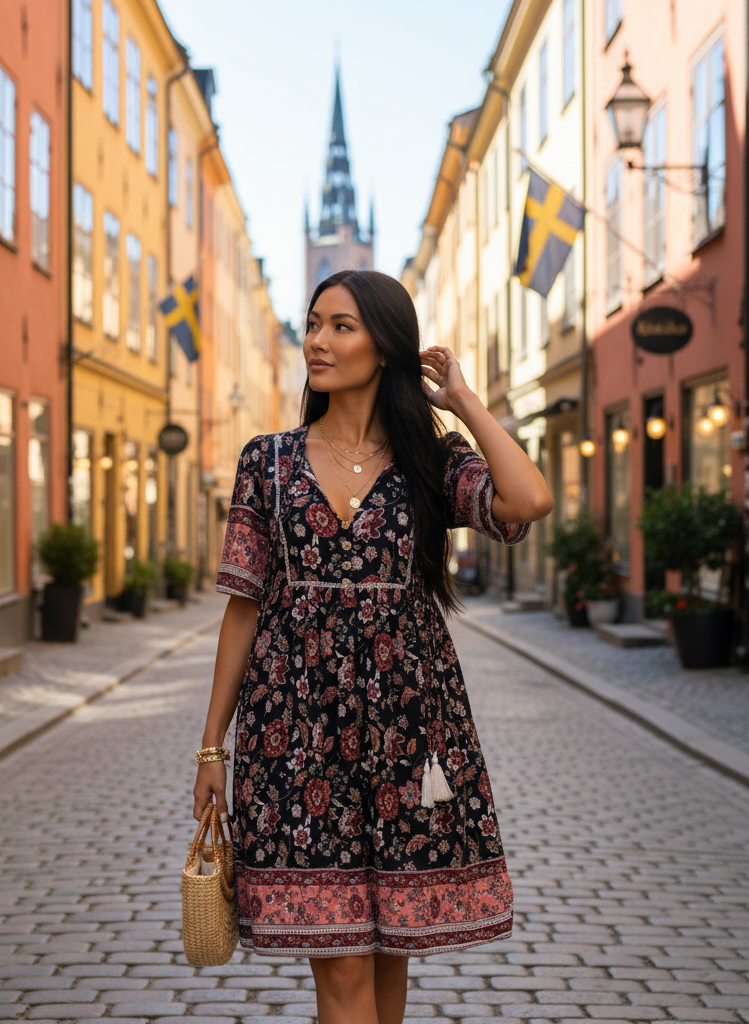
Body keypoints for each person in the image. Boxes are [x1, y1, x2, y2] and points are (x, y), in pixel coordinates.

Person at [193, 270, 552, 1024]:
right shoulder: (269, 461)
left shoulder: (429, 460)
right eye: (313, 323)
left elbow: (527, 501)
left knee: (390, 970)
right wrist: (211, 748)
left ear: (387, 345)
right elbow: (242, 608)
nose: (317, 341)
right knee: (347, 977)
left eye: (341, 326)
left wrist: (461, 402)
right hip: (296, 734)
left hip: (412, 736)